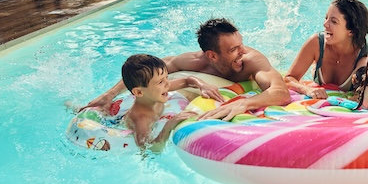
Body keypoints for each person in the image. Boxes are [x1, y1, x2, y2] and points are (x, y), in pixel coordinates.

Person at [84, 18, 291, 121]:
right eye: (234, 49)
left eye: (242, 44)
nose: (242, 51)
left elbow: (280, 93)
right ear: (212, 56)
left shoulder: (251, 60)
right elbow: (145, 70)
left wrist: (245, 103)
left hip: (266, 68)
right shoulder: (195, 61)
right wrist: (110, 95)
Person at [285, 0, 368, 99]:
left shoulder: (365, 56)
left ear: (351, 31)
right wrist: (307, 89)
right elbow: (289, 78)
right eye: (326, 18)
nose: (325, 24)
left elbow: (365, 95)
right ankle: (315, 67)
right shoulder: (316, 43)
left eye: (334, 21)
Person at [120, 54, 197, 151]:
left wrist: (203, 86)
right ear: (139, 92)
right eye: (160, 82)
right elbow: (149, 148)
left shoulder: (154, 93)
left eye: (167, 77)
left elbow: (187, 81)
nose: (168, 84)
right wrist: (168, 126)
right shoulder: (141, 119)